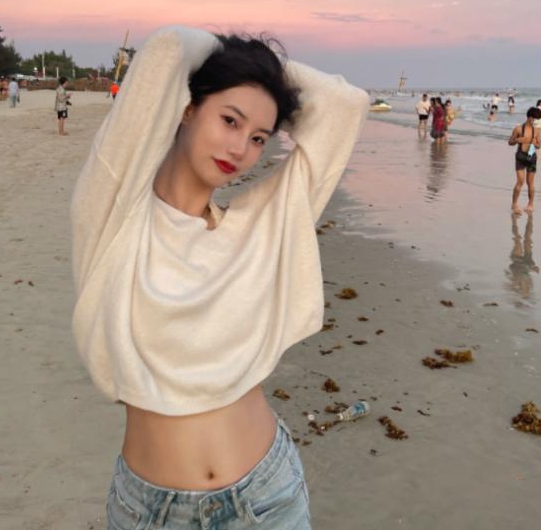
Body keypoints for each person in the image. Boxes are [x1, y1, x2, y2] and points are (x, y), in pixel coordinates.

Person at [70, 26, 369, 530]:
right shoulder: (114, 216)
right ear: (187, 108)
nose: (240, 148)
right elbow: (168, 50)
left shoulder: (262, 230)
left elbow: (345, 104)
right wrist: (231, 56)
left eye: (258, 139)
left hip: (268, 498)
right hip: (150, 513)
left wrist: (264, 73)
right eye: (229, 120)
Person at [508, 106, 541, 215]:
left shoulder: (536, 131)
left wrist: (535, 143)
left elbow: (539, 145)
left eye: (537, 119)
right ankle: (514, 204)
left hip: (531, 158)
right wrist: (517, 140)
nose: (535, 121)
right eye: (534, 118)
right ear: (529, 117)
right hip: (520, 157)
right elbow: (510, 142)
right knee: (520, 181)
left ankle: (530, 204)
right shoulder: (518, 129)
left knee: (530, 183)